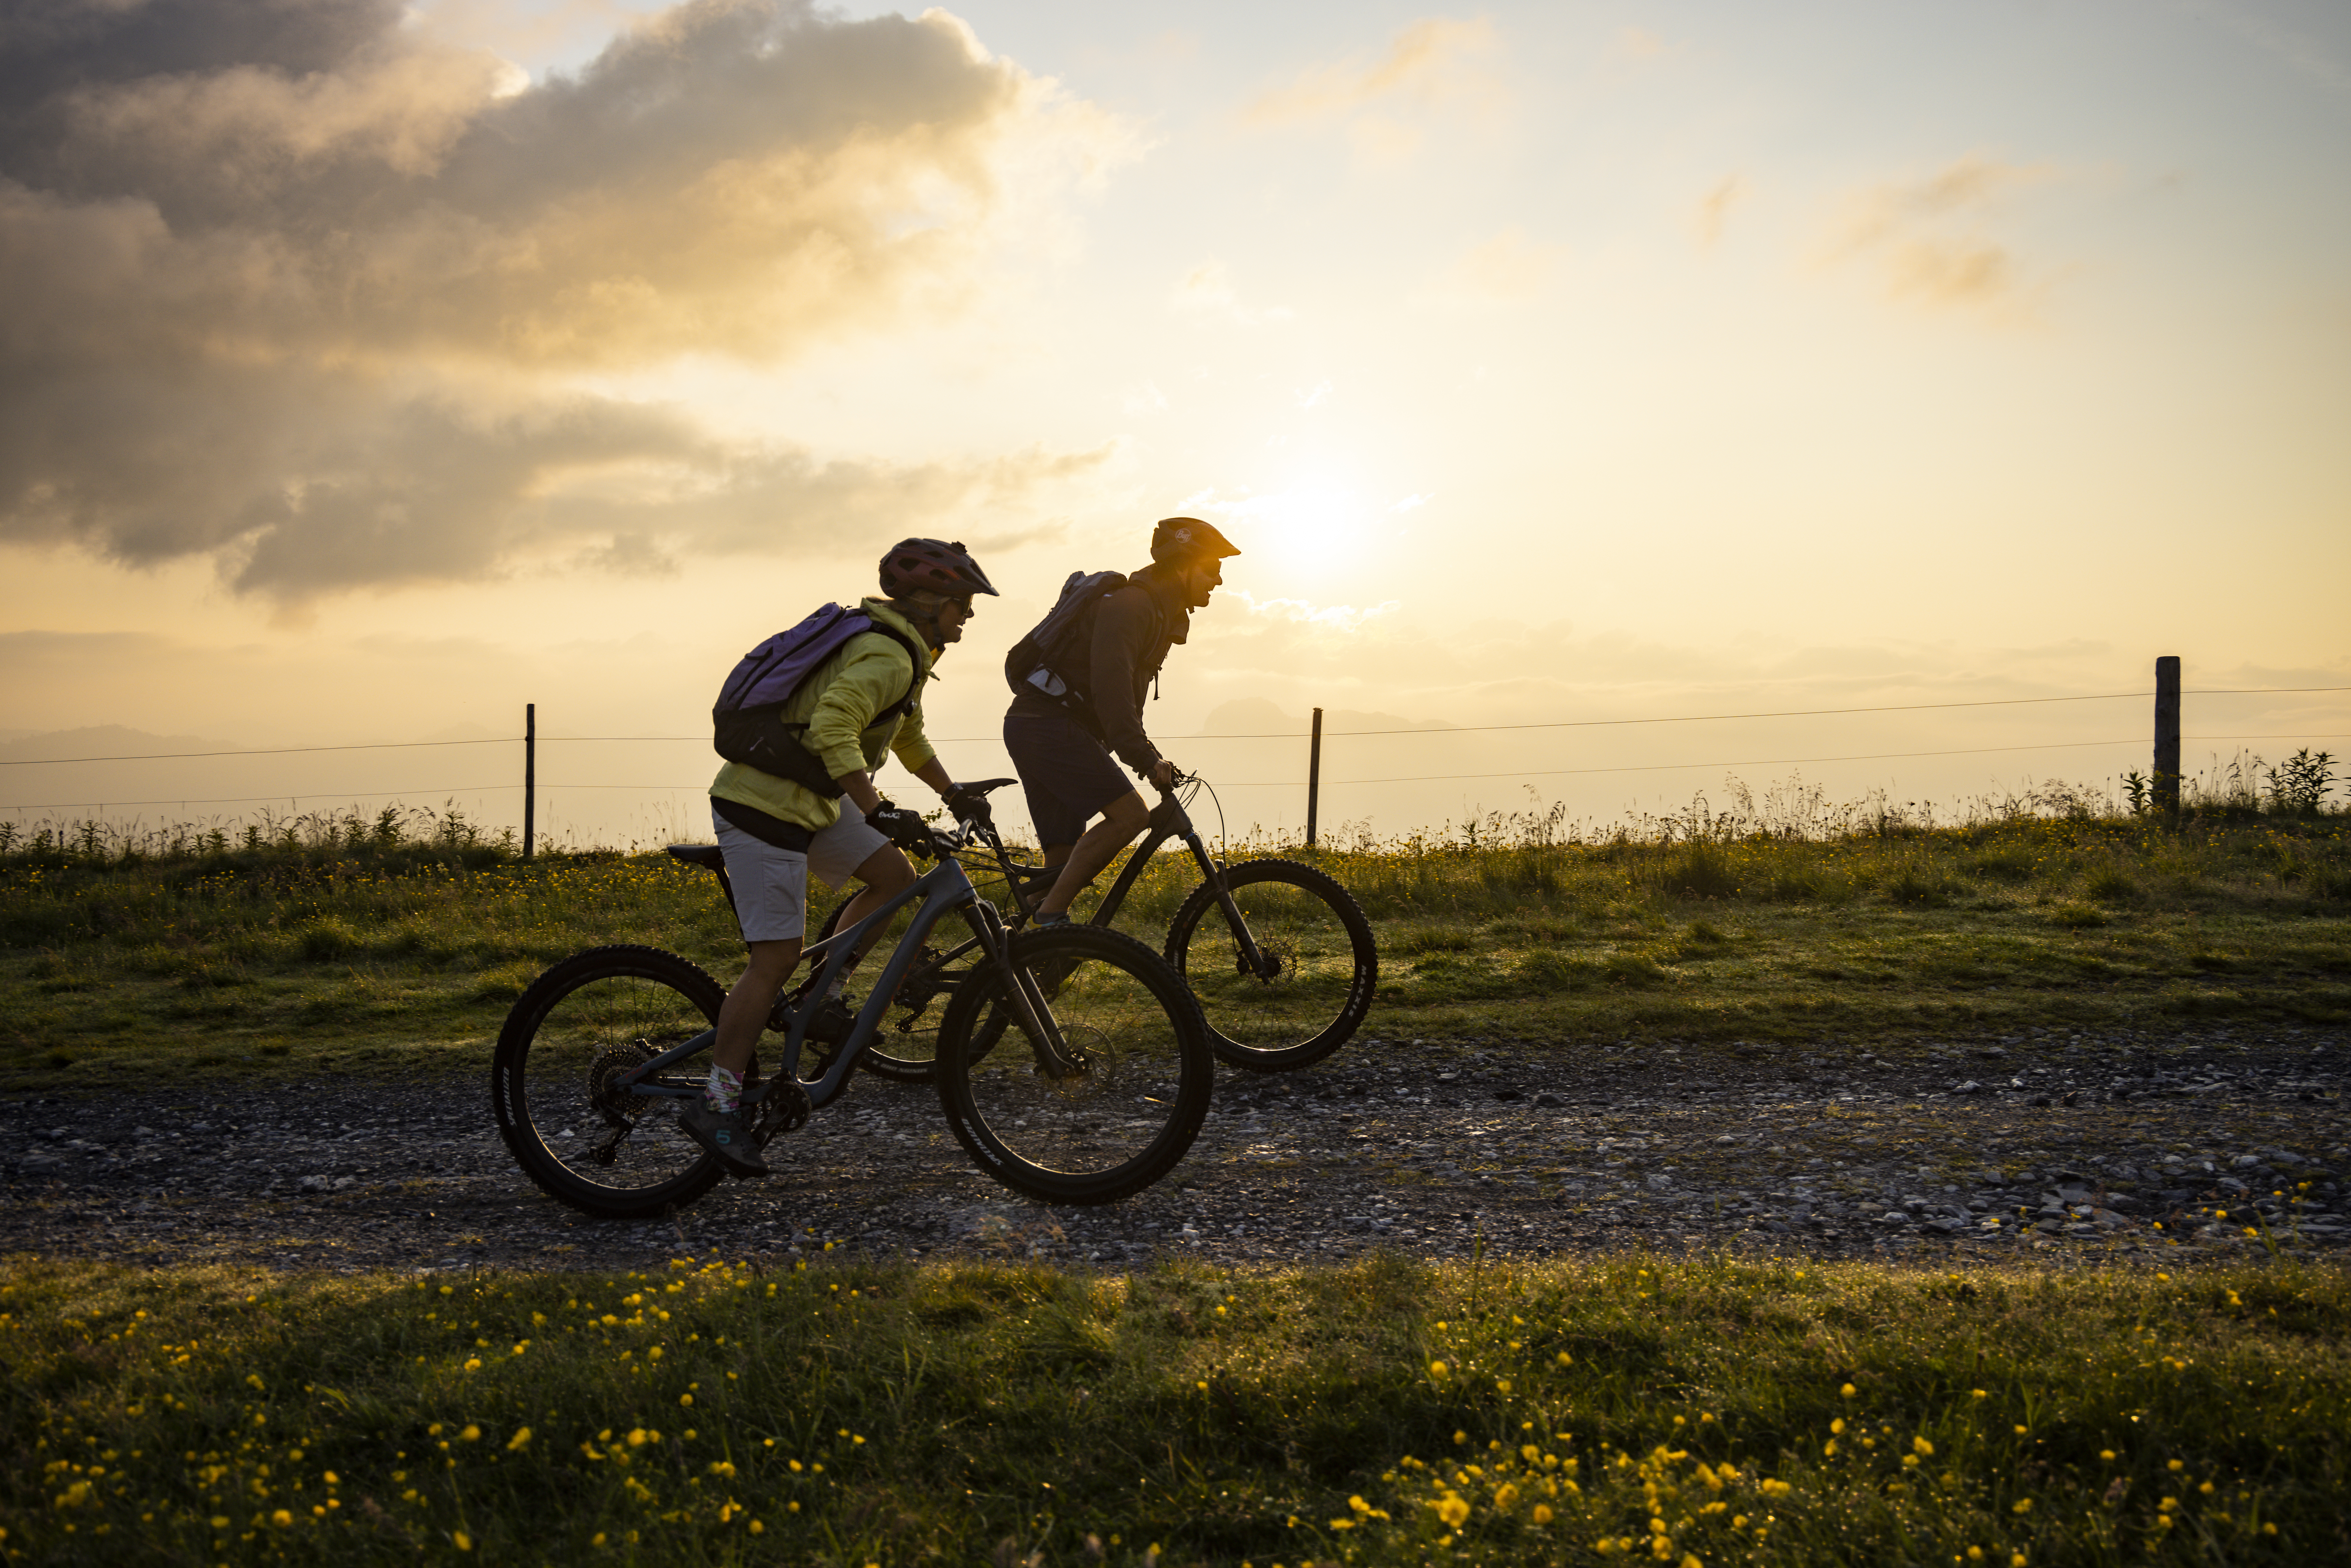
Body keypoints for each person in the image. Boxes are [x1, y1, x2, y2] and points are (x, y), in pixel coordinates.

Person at [682, 539, 1000, 1178]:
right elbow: (833, 725)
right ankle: (715, 1105)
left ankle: (820, 995)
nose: (969, 616)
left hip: (812, 797)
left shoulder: (903, 653)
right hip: (764, 805)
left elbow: (904, 732)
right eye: (963, 604)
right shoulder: (886, 651)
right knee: (771, 957)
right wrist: (876, 806)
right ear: (929, 601)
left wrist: (950, 790)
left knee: (894, 877)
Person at [1001, 515, 1240, 925]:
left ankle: (1024, 960)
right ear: (1183, 565)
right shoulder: (1133, 607)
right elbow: (1111, 689)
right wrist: (1144, 759)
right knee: (1131, 816)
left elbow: (1124, 700)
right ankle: (1051, 921)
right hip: (1047, 725)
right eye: (1212, 568)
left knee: (1061, 858)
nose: (1218, 581)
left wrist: (1147, 754)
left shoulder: (1156, 612)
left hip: (1041, 725)